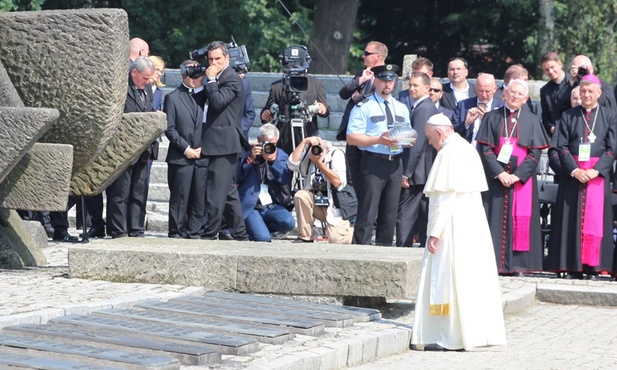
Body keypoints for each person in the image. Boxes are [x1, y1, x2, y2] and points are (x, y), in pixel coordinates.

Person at [411, 113, 506, 352]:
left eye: (430, 138)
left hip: (452, 225)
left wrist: (433, 232)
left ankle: (450, 338)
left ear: (440, 133)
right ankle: (477, 334)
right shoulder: (467, 148)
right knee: (472, 279)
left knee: (451, 277)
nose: (431, 143)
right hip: (473, 225)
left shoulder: (447, 153)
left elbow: (443, 199)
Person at [476, 79, 550, 276]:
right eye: (512, 92)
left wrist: (517, 176)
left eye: (520, 94)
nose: (515, 96)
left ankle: (519, 266)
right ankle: (493, 263)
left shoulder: (533, 120)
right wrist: (499, 173)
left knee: (521, 220)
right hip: (496, 180)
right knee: (494, 220)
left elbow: (534, 154)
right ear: (504, 94)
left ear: (525, 98)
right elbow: (485, 149)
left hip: (521, 183)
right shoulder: (492, 117)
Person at [546, 74, 617, 280]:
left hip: (597, 177)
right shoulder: (568, 116)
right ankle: (572, 266)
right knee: (571, 221)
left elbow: (612, 149)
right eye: (583, 91)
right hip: (573, 177)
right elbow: (561, 147)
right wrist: (575, 170)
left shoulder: (610, 116)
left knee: (595, 222)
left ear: (599, 93)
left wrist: (596, 171)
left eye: (590, 91)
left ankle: (593, 268)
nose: (586, 95)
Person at [347, 64, 411, 246]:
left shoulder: (401, 108)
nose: (387, 84)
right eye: (383, 80)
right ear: (375, 81)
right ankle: (360, 253)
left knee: (389, 215)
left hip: (395, 163)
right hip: (373, 162)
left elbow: (406, 132)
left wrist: (407, 140)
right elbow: (352, 138)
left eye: (391, 80)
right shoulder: (363, 106)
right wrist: (378, 140)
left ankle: (385, 254)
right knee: (367, 213)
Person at [200, 41, 248, 241]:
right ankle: (240, 234)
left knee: (216, 192)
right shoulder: (220, 78)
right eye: (211, 59)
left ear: (227, 58)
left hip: (224, 144)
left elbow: (218, 102)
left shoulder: (232, 79)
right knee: (228, 192)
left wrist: (210, 80)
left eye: (218, 58)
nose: (214, 62)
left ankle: (210, 233)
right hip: (217, 142)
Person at [105, 56, 155, 238]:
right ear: (134, 72)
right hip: (123, 148)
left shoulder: (147, 88)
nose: (147, 82)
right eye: (145, 78)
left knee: (139, 191)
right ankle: (118, 229)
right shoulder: (121, 86)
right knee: (120, 192)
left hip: (143, 148)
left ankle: (136, 228)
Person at [163, 60, 207, 239]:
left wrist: (204, 146)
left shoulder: (206, 96)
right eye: (192, 76)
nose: (196, 80)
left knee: (199, 197)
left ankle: (195, 231)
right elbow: (170, 128)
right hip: (181, 157)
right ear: (183, 76)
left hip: (202, 155)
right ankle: (176, 231)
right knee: (179, 197)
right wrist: (185, 148)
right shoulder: (172, 97)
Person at [337, 41, 387, 192]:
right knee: (352, 172)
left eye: (367, 53)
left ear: (378, 56)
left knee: (367, 175)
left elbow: (377, 98)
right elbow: (343, 93)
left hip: (370, 132)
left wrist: (358, 97)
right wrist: (360, 80)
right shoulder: (362, 73)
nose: (363, 56)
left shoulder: (386, 75)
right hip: (354, 130)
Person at [260, 45, 329, 155]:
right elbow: (267, 109)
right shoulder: (277, 87)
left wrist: (322, 108)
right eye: (291, 65)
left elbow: (325, 111)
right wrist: (266, 113)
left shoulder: (316, 84)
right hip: (283, 137)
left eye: (297, 64)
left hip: (308, 134)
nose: (294, 67)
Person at [396, 72, 438, 247]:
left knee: (405, 213)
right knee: (423, 213)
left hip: (417, 171)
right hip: (425, 171)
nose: (411, 89)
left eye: (416, 86)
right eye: (410, 85)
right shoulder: (426, 107)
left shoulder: (423, 109)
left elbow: (417, 143)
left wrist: (406, 173)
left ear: (427, 88)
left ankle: (402, 249)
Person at [288, 136, 353, 244]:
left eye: (320, 149)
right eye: (314, 149)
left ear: (326, 150)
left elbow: (337, 182)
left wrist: (319, 163)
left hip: (335, 206)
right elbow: (291, 164)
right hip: (316, 203)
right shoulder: (310, 157)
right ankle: (305, 237)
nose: (316, 152)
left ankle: (354, 231)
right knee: (301, 195)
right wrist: (304, 142)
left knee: (336, 239)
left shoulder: (335, 154)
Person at [237, 124, 295, 242]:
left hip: (270, 204)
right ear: (258, 141)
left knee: (289, 223)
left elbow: (284, 180)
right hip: (252, 206)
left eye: (272, 144)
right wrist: (250, 159)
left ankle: (259, 227)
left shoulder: (281, 155)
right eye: (265, 143)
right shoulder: (248, 153)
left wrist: (273, 161)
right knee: (263, 238)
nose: (268, 147)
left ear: (276, 142)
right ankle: (255, 229)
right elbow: (237, 177)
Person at [451, 73, 504, 146]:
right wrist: (466, 123)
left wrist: (488, 120)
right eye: (480, 91)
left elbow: (505, 134)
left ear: (494, 89)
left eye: (487, 91)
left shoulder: (502, 107)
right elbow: (452, 131)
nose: (484, 95)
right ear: (475, 88)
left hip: (490, 152)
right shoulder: (463, 105)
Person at [539, 51, 572, 137]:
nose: (550, 71)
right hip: (557, 135)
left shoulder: (574, 83)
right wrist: (551, 128)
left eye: (552, 67)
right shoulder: (545, 91)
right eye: (546, 69)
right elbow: (545, 117)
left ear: (560, 64)